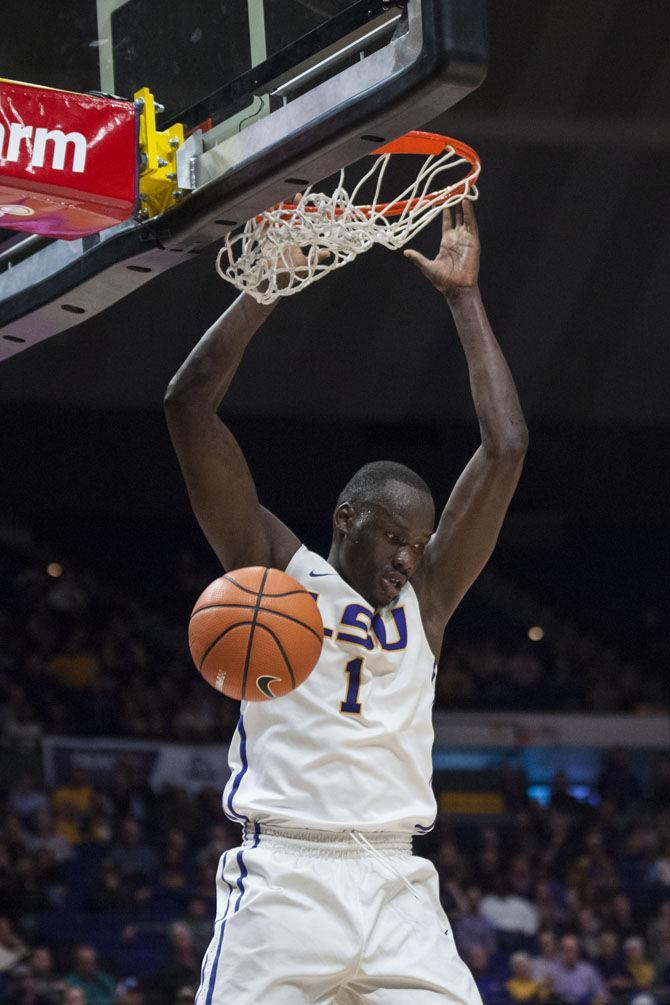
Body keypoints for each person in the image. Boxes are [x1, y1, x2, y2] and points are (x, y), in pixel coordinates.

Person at [165, 201, 528, 1003]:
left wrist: (464, 300)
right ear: (346, 519)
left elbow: (505, 447)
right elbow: (188, 407)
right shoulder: (273, 569)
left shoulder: (427, 599)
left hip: (397, 881)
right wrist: (266, 287)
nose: (407, 557)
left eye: (418, 542)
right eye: (394, 537)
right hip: (287, 876)